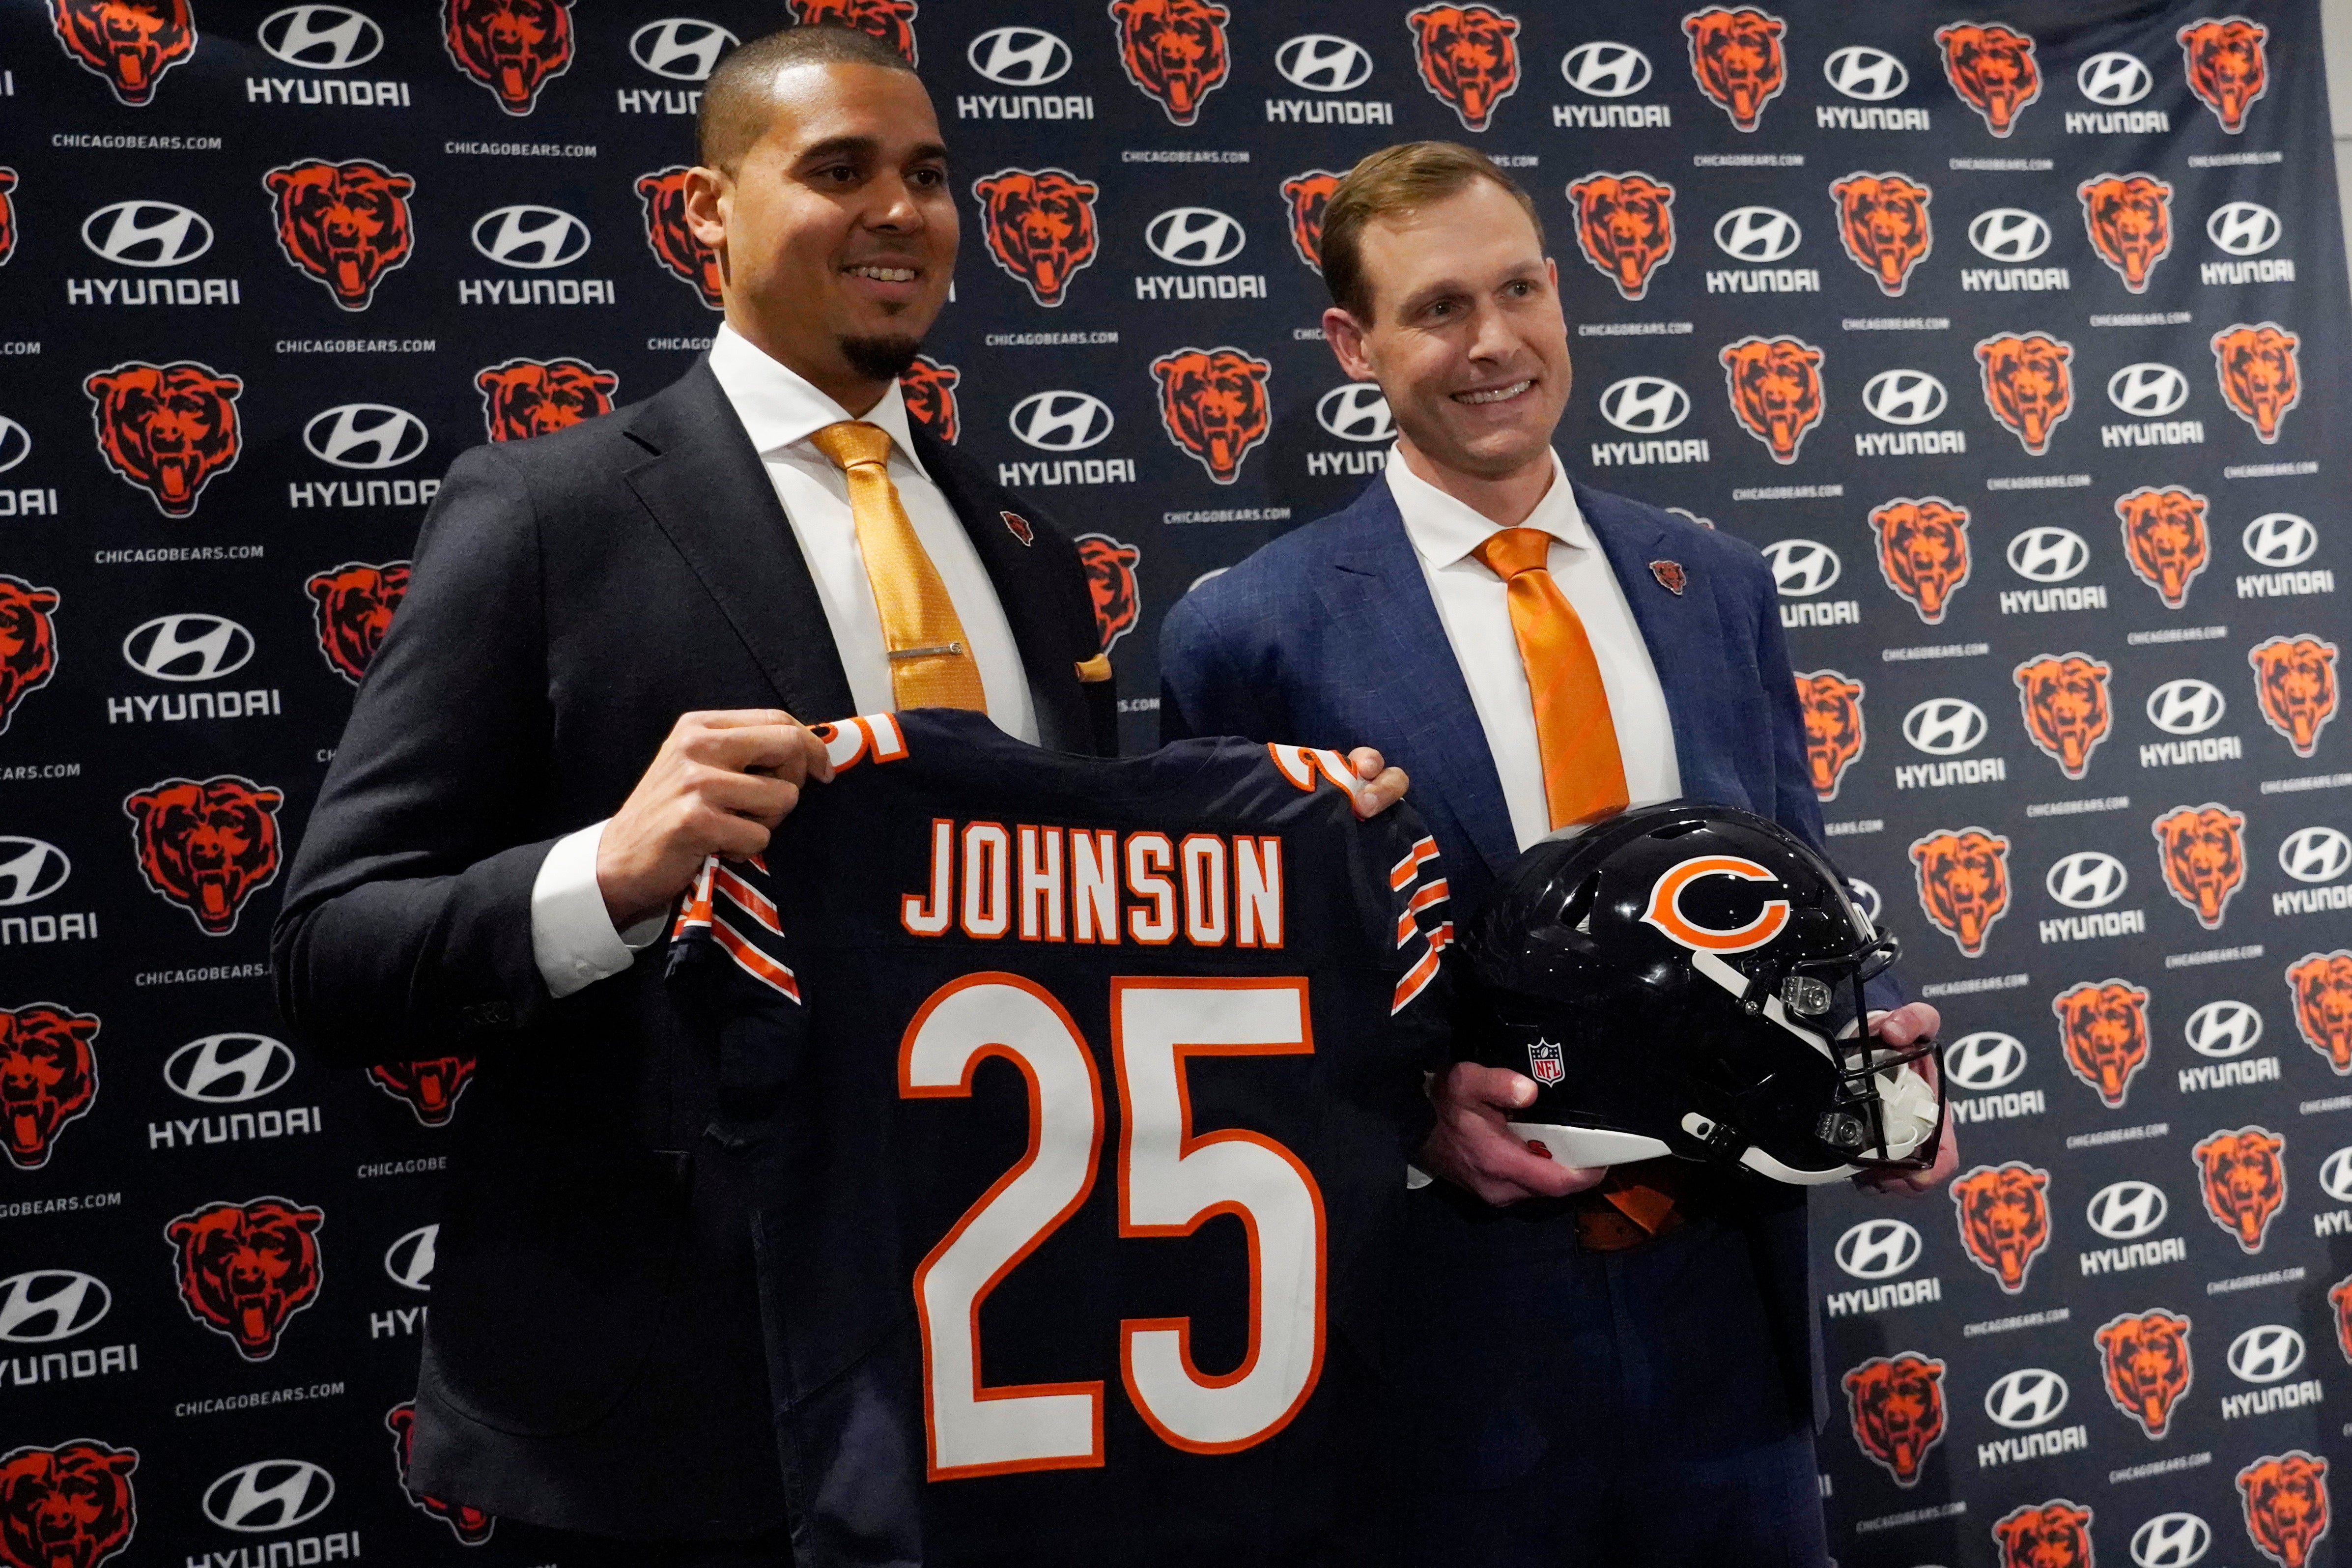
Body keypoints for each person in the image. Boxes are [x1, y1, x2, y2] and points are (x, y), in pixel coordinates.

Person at [274, 24, 1405, 1561]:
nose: (900, 212)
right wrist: (607, 873)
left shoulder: (1031, 554)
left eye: (929, 175)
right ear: (706, 211)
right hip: (681, 1406)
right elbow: (331, 954)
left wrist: (1305, 855)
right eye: (839, 170)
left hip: (1007, 1384)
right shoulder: (550, 512)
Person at [1158, 142, 1958, 1565]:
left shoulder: (1713, 584)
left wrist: (1867, 1054)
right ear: (1354, 344)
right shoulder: (1250, 633)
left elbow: (1794, 876)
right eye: (1438, 308)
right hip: (1448, 1336)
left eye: (1519, 288)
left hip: (1731, 1302)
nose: (1494, 342)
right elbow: (1219, 1001)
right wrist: (1407, 1120)